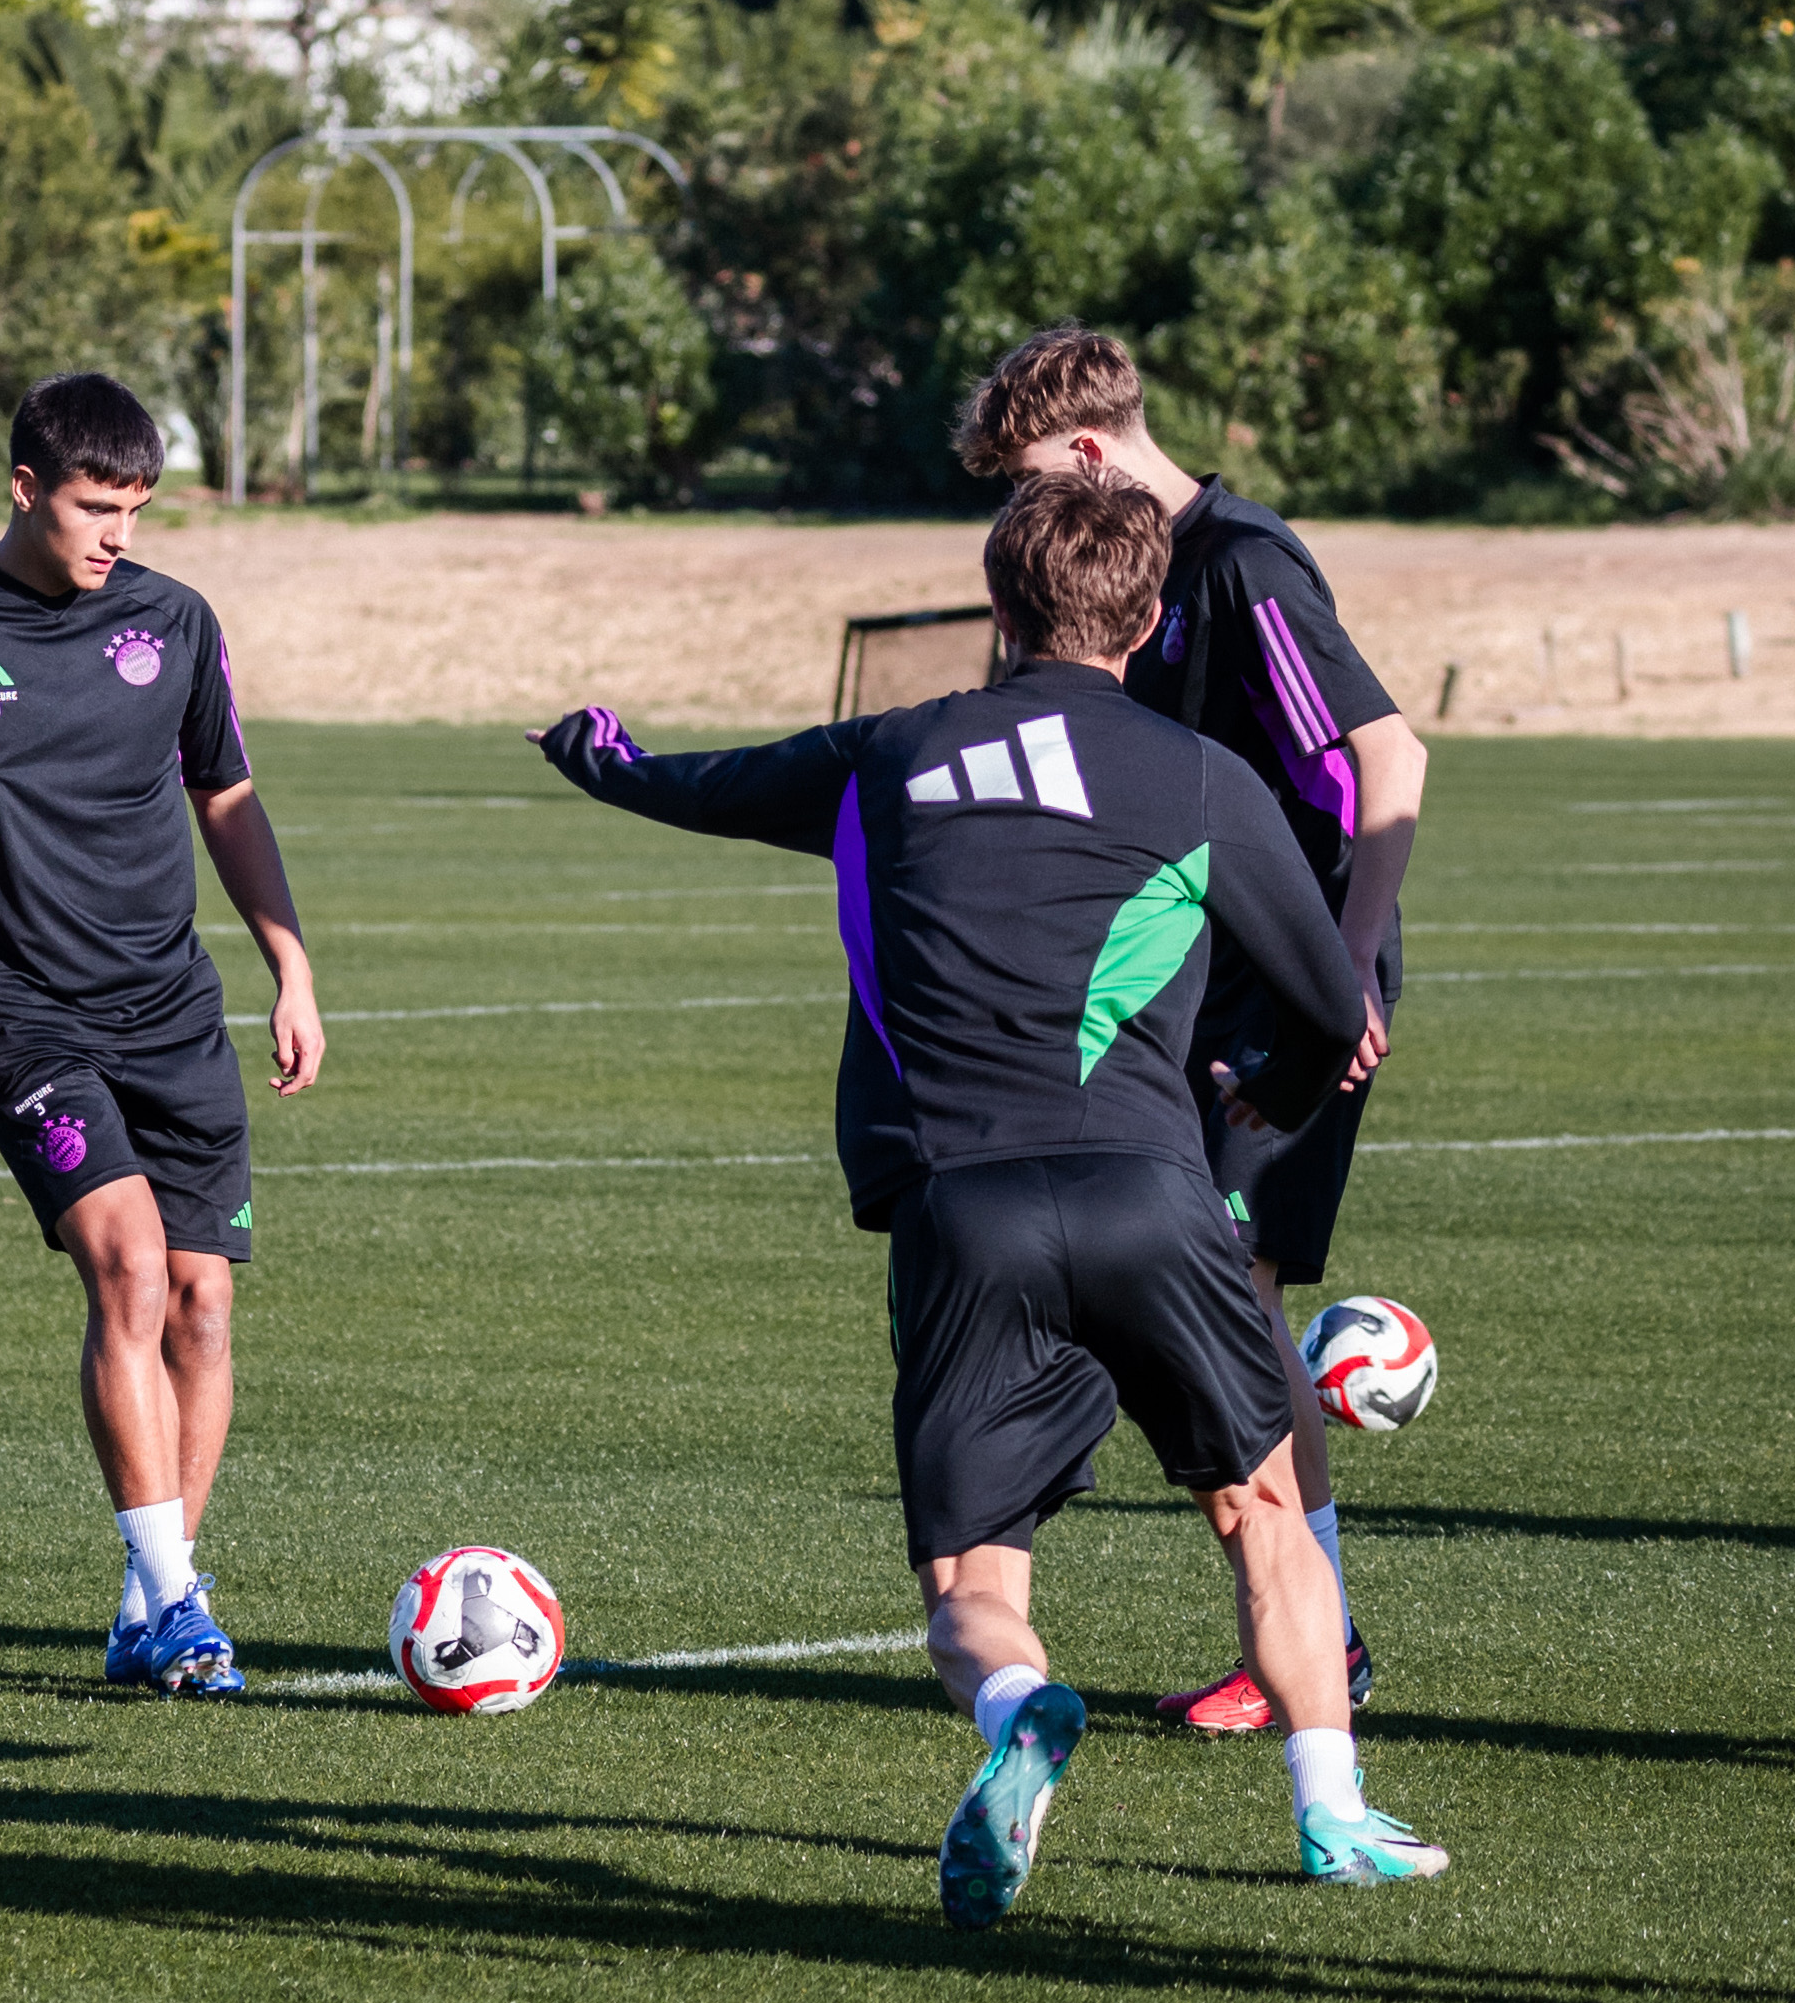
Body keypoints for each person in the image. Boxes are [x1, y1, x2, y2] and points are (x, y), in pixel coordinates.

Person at [532, 467, 1447, 1924]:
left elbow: (693, 785)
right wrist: (1275, 1087)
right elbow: (1334, 1003)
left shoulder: (885, 753)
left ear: (998, 606)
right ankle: (1333, 1814)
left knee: (974, 1571)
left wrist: (598, 754)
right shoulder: (1201, 777)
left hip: (963, 1216)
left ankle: (1019, 1705)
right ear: (1149, 623)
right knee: (1262, 1508)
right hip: (1157, 1200)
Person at [954, 326, 1431, 1733]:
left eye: (1029, 479)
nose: (1016, 517)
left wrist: (1338, 975)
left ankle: (1315, 1649)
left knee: (1230, 1288)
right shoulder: (1137, 577)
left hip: (1284, 988)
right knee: (1223, 1287)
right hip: (1197, 980)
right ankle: (1303, 1639)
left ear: (1092, 452)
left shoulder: (1240, 566)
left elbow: (1383, 756)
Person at [0, 372, 324, 1695]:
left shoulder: (175, 621)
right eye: (94, 507)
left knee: (205, 1305)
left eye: (134, 509)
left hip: (172, 1009)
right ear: (26, 490)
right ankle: (177, 1603)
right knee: (126, 1266)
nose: (116, 534)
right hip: (23, 1014)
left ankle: (150, 1598)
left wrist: (288, 959)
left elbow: (227, 793)